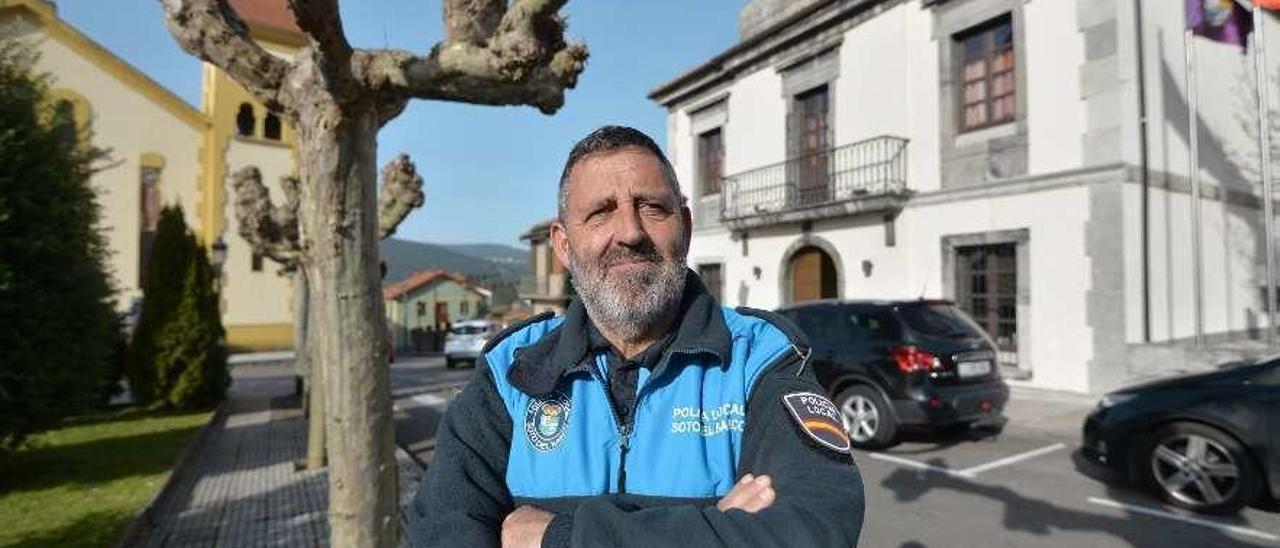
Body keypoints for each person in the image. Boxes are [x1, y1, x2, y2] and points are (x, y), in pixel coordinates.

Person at [408, 126, 864, 548]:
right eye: (601, 212)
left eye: (652, 207)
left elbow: (813, 529)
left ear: (683, 227)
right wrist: (714, 525)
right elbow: (441, 534)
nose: (629, 232)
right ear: (563, 245)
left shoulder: (760, 358)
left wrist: (560, 537)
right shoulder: (512, 371)